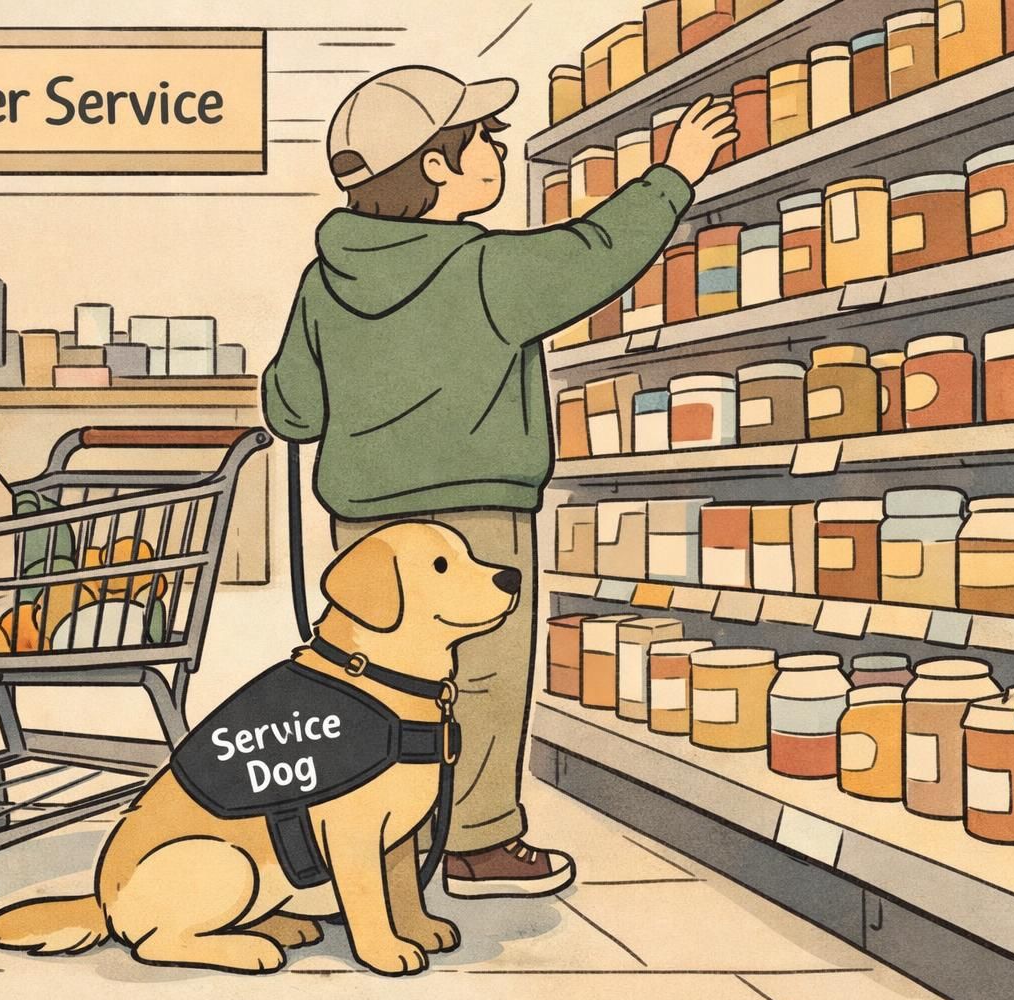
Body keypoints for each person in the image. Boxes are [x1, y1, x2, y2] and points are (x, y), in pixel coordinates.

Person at [261, 65, 735, 898]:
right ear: (435, 165)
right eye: (483, 139)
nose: (497, 152)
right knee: (482, 675)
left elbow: (291, 410)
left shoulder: (322, 281)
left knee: (382, 679)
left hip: (364, 528)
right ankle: (477, 843)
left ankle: (383, 840)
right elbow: (596, 255)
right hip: (477, 515)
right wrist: (672, 175)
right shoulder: (482, 268)